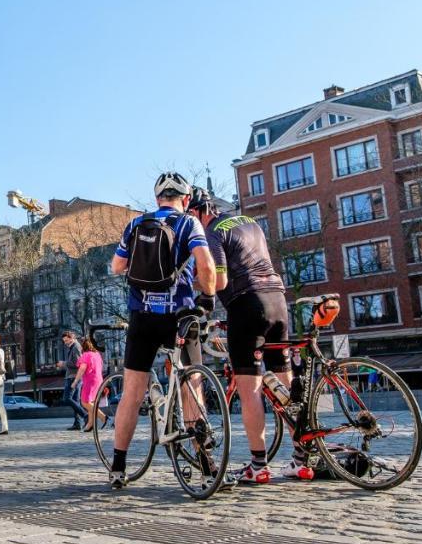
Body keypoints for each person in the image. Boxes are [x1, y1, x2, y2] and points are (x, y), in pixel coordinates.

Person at [190, 188, 313, 484]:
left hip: (247, 306)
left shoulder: (213, 232)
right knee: (285, 384)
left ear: (198, 211)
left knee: (251, 390)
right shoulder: (250, 222)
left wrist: (194, 285)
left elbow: (219, 279)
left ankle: (259, 465)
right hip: (278, 301)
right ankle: (301, 459)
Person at [107, 172, 217, 489]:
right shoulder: (188, 224)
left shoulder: (135, 224)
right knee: (191, 385)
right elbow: (206, 265)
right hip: (178, 315)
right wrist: (206, 300)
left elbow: (116, 266)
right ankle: (208, 466)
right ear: (185, 200)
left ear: (157, 199)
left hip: (142, 315)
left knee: (132, 391)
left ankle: (118, 466)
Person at [74, 335, 106, 432]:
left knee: (85, 402)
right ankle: (90, 425)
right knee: (90, 402)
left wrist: (75, 381)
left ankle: (104, 417)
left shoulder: (86, 355)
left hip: (90, 380)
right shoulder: (97, 354)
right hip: (99, 379)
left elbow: (82, 369)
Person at [57, 331, 88, 430]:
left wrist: (64, 364)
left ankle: (85, 415)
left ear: (72, 338)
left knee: (67, 398)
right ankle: (77, 424)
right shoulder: (72, 347)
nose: (65, 342)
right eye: (64, 341)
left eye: (66, 340)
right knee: (75, 400)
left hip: (73, 377)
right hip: (73, 376)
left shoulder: (76, 347)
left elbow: (78, 363)